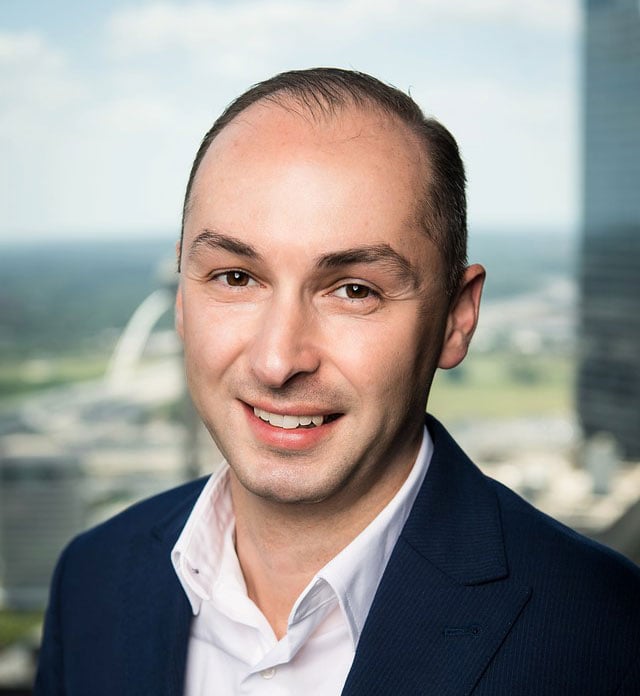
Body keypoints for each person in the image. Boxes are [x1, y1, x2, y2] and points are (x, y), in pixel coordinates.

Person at [35, 68, 640, 695]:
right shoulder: (91, 581)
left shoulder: (608, 636)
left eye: (354, 290)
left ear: (456, 319)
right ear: (182, 297)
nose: (277, 361)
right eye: (236, 278)